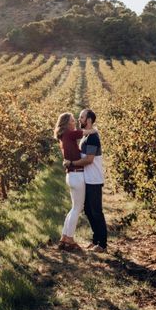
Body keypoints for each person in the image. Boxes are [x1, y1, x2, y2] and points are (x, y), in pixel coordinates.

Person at [63, 108, 107, 253]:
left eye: (81, 117)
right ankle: (96, 240)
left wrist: (72, 163)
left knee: (96, 211)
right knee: (88, 210)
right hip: (86, 179)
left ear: (88, 120)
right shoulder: (85, 137)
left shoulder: (93, 137)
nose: (79, 119)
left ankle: (102, 244)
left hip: (94, 179)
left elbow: (89, 160)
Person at [54, 112, 98, 251]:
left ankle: (64, 237)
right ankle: (70, 240)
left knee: (74, 208)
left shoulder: (64, 136)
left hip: (71, 175)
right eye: (73, 120)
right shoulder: (69, 133)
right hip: (77, 175)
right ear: (67, 123)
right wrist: (95, 130)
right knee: (77, 208)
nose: (75, 122)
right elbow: (87, 131)